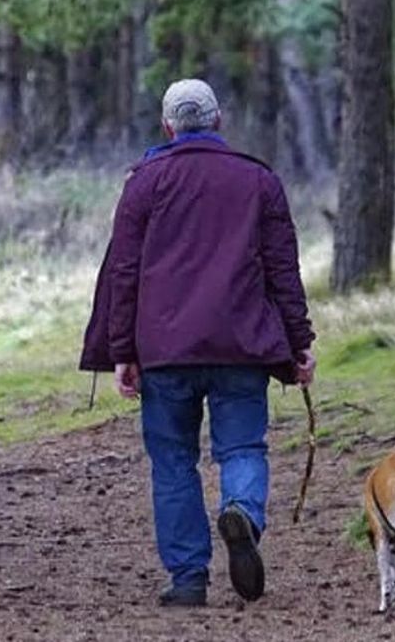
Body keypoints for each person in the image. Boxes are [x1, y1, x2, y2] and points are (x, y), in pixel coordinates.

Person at [80, 79, 316, 606]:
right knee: (243, 448)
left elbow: (124, 273)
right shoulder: (258, 180)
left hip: (165, 351)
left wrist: (122, 351)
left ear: (167, 126)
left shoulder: (143, 184)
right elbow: (283, 270)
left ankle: (188, 577)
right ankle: (242, 513)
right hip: (241, 345)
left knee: (172, 462)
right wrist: (299, 341)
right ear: (218, 121)